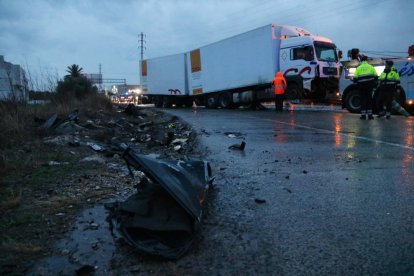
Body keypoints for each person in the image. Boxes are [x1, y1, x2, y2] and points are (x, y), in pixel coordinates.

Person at [353, 55, 378, 119]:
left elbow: (355, 79)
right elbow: (376, 77)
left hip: (361, 87)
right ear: (367, 60)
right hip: (370, 86)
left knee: (363, 100)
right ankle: (370, 115)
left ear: (361, 61)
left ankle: (363, 115)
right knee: (369, 100)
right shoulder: (371, 67)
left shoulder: (359, 68)